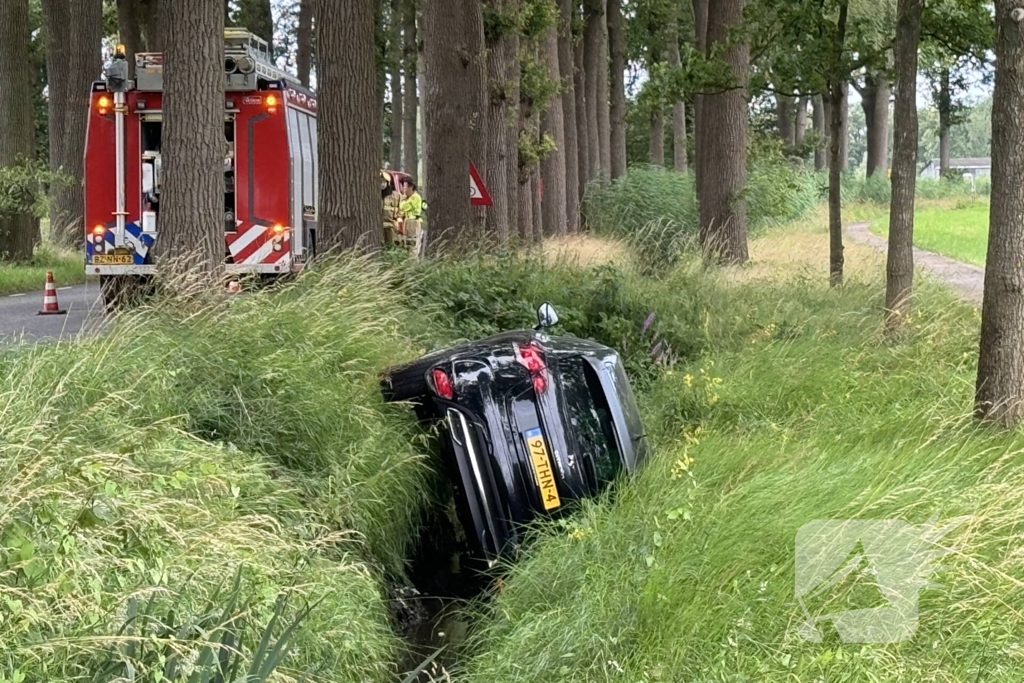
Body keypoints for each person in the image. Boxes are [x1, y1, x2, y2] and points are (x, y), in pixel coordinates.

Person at [398, 180, 425, 257]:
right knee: (406, 242)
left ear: (411, 187)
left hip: (413, 222)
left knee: (412, 243)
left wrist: (403, 200)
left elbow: (404, 207)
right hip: (407, 221)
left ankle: (413, 260)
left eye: (405, 187)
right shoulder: (408, 198)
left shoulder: (415, 197)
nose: (404, 189)